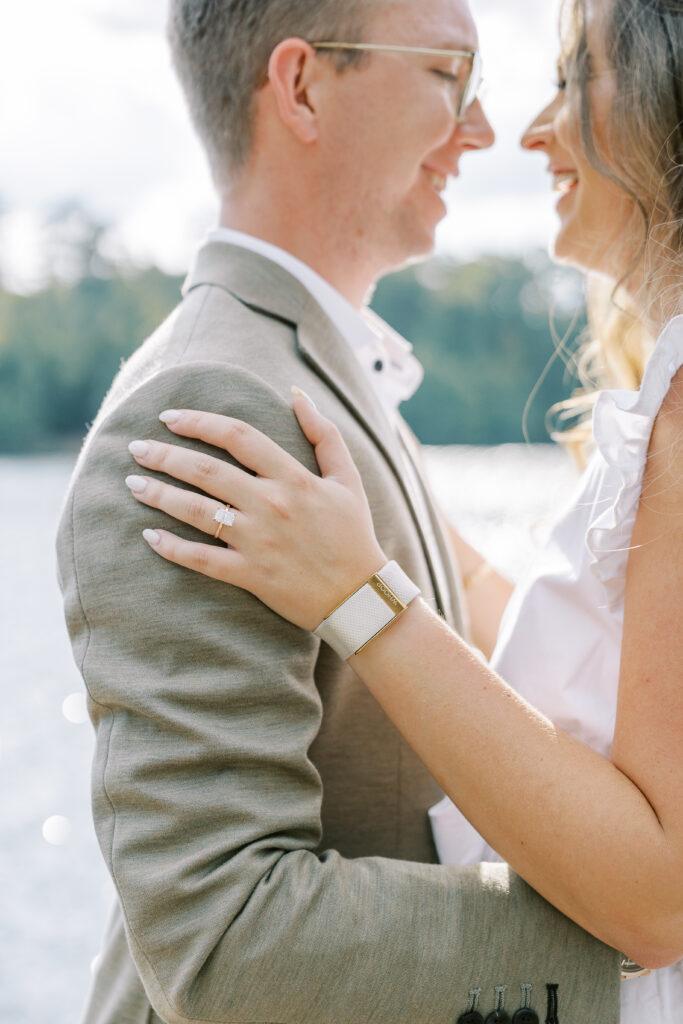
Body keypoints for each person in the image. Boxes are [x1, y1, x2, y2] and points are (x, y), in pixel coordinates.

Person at [56, 0, 625, 1021]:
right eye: (448, 75)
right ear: (303, 87)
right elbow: (224, 936)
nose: (484, 128)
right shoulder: (214, 406)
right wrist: (624, 951)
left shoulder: (326, 382)